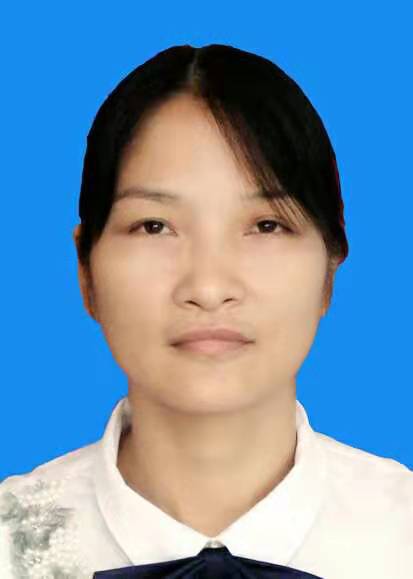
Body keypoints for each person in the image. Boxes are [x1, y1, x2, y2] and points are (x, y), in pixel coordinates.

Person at [0, 43, 411, 579]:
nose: (209, 287)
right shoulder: (10, 544)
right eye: (154, 226)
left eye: (266, 225)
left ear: (330, 268)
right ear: (86, 270)